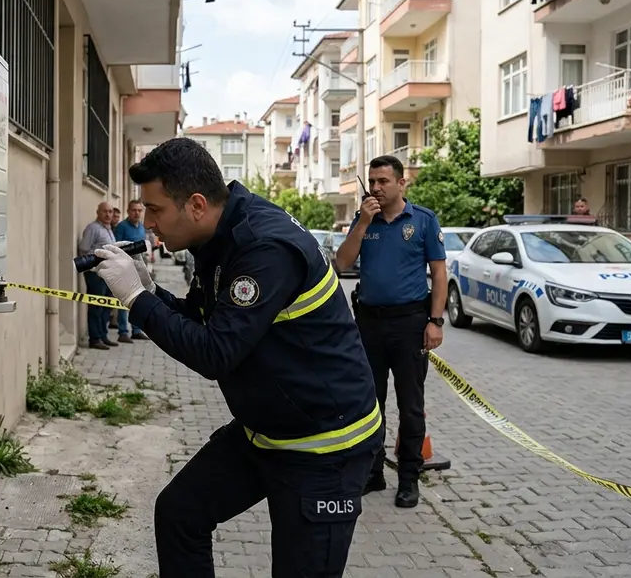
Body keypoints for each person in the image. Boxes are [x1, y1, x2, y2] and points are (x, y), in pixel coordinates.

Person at [91, 137, 383, 577]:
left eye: (156, 210)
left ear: (194, 204)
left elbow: (215, 353)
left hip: (325, 448)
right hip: (267, 431)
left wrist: (135, 298)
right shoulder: (220, 235)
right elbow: (209, 317)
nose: (149, 224)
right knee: (180, 513)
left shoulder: (264, 248)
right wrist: (152, 292)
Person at [333, 154, 446, 509]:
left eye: (383, 181)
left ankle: (409, 478)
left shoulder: (424, 221)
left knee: (411, 405)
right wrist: (363, 223)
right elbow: (342, 262)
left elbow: (439, 274)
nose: (377, 188)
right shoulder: (365, 219)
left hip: (411, 323)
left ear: (401, 183)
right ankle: (373, 472)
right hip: (369, 323)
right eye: (373, 181)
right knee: (370, 404)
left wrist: (436, 321)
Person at [78, 201, 118, 350]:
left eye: (110, 211)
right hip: (95, 273)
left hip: (108, 273)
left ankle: (102, 335)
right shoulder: (93, 228)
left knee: (106, 304)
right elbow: (84, 248)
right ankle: (94, 339)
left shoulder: (108, 229)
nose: (108, 214)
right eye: (105, 211)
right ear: (98, 212)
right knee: (96, 306)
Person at [112, 199, 151, 342]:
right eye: (134, 210)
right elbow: (116, 247)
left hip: (139, 269)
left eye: (139, 210)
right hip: (124, 269)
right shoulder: (122, 227)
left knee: (138, 300)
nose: (137, 213)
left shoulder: (141, 227)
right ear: (128, 211)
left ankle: (136, 329)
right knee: (123, 301)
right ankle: (123, 332)